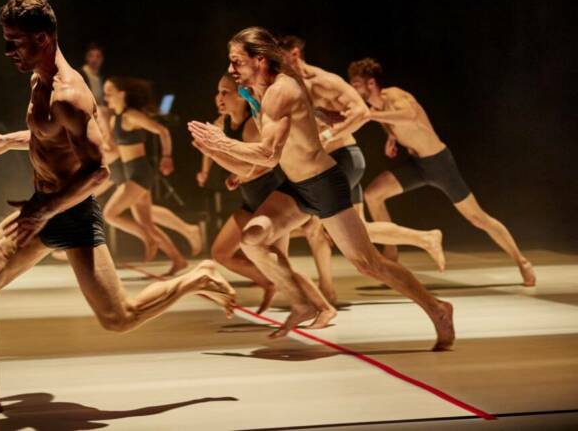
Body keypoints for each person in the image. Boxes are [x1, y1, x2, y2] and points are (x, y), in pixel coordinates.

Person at [0, 0, 235, 417]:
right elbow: (48, 138)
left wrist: (47, 210)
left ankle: (197, 277)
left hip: (69, 213)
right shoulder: (37, 79)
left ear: (42, 39)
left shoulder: (68, 95)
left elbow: (100, 172)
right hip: (41, 207)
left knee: (118, 318)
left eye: (15, 42)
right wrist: (6, 142)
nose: (8, 51)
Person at [189, 27, 453, 348]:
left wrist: (221, 143)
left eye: (236, 61)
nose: (231, 69)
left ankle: (437, 309)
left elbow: (269, 154)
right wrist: (215, 150)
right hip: (296, 186)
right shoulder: (257, 92)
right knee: (253, 239)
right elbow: (255, 166)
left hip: (324, 184)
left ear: (259, 60)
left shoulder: (281, 91)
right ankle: (303, 303)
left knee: (367, 263)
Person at [349, 58, 536, 286]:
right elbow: (393, 124)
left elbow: (409, 115)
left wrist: (370, 116)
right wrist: (391, 136)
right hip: (417, 165)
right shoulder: (376, 109)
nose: (352, 89)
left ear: (371, 83)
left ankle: (522, 261)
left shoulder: (395, 96)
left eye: (356, 84)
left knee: (478, 218)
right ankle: (391, 255)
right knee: (372, 195)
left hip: (438, 163)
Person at [279, 36, 445, 281]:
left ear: (294, 54)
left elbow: (360, 112)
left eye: (279, 57)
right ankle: (425, 238)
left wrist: (328, 134)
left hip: (341, 159)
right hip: (328, 162)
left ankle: (323, 290)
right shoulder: (288, 84)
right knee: (358, 229)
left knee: (315, 223)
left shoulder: (322, 81)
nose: (275, 63)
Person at [204, 73, 336, 318]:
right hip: (249, 200)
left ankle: (324, 308)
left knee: (279, 264)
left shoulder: (252, 126)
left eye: (225, 92)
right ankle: (268, 282)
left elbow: (263, 164)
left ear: (242, 97)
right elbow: (221, 147)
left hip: (270, 200)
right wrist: (220, 166)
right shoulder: (224, 122)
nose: (219, 98)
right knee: (220, 253)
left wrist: (235, 171)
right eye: (218, 92)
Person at [102, 76, 195, 275]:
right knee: (147, 223)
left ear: (122, 94)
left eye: (109, 91)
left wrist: (167, 157)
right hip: (130, 172)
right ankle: (178, 260)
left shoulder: (131, 116)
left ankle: (147, 238)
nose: (106, 96)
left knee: (110, 214)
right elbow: (114, 151)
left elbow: (162, 131)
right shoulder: (114, 119)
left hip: (139, 172)